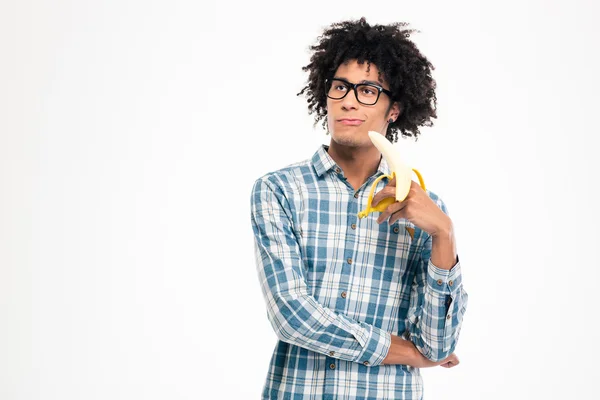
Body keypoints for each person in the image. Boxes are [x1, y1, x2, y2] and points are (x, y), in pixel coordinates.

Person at [249, 17, 468, 400]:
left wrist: (443, 235)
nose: (349, 100)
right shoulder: (279, 191)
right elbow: (291, 316)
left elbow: (438, 343)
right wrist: (408, 355)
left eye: (367, 90)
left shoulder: (424, 210)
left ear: (394, 109)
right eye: (340, 87)